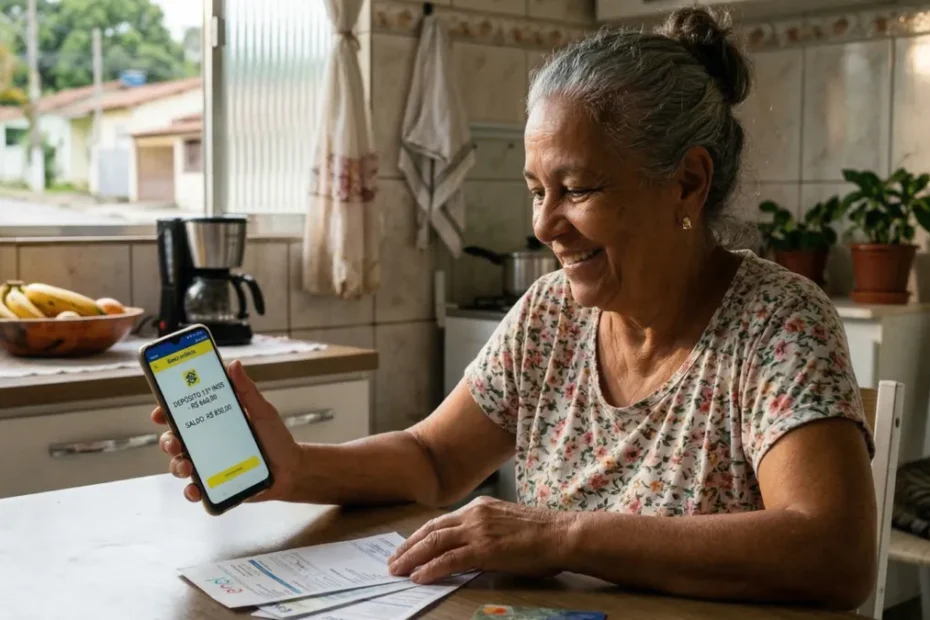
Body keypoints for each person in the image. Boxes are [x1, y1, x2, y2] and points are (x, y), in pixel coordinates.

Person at [153, 7, 876, 609]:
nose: (544, 224)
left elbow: (833, 552)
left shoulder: (778, 323)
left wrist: (560, 535)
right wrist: (295, 470)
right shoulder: (550, 316)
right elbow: (434, 460)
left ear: (687, 184)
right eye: (537, 189)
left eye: (578, 189)